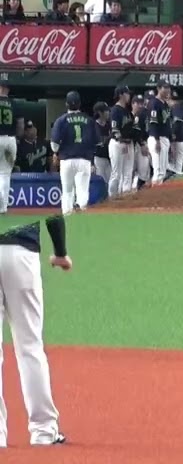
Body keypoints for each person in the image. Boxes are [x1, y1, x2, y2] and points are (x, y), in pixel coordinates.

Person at [0, 213, 71, 448]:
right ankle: (44, 431)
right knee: (30, 346)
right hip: (22, 251)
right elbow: (52, 207)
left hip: (22, 248)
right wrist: (60, 251)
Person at [50, 92, 96, 215]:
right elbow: (96, 142)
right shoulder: (89, 120)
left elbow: (54, 144)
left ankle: (67, 214)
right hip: (84, 159)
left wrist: (55, 153)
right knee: (82, 190)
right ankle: (80, 207)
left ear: (66, 104)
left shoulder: (61, 120)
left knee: (67, 191)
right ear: (80, 104)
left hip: (66, 159)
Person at [106, 86, 136, 196]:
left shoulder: (127, 111)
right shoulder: (115, 110)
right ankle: (112, 197)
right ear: (121, 95)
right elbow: (114, 129)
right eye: (127, 93)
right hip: (117, 143)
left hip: (128, 143)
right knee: (116, 174)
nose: (129, 96)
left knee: (128, 172)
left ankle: (126, 197)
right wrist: (121, 141)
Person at [146, 81, 172, 186]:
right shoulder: (154, 103)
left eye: (168, 87)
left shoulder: (164, 104)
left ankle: (158, 191)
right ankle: (155, 192)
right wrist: (157, 140)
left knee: (163, 170)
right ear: (158, 88)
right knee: (159, 170)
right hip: (157, 138)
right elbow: (153, 123)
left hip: (164, 138)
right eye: (165, 87)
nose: (167, 90)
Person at [167, 92, 183, 178]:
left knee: (176, 169)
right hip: (179, 142)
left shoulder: (176, 107)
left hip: (178, 142)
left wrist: (173, 134)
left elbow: (177, 122)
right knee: (174, 168)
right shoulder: (179, 107)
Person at [0, 83, 14, 214]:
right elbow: (20, 125)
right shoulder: (13, 103)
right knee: (5, 174)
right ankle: (3, 207)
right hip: (9, 140)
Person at [91, 102, 111, 189]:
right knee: (101, 183)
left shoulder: (109, 125)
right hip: (98, 158)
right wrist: (91, 163)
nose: (108, 113)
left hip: (109, 158)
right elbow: (90, 146)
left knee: (111, 182)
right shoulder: (93, 126)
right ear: (100, 112)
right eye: (106, 111)